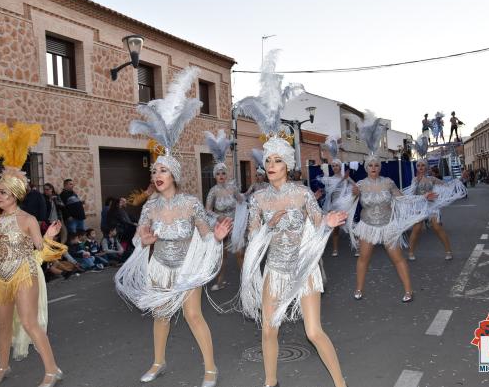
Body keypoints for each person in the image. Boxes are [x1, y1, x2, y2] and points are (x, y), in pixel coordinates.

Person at [236, 50, 348, 387]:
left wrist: (326, 224)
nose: (271, 167)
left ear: (288, 165)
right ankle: (271, 383)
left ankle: (341, 383)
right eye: (267, 162)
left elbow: (318, 224)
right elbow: (253, 238)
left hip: (304, 269)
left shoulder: (301, 194)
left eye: (278, 162)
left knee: (313, 331)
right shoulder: (258, 198)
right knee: (269, 328)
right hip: (276, 270)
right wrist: (269, 224)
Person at [116, 66, 232, 387]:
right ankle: (157, 362)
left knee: (193, 315)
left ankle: (210, 368)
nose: (157, 175)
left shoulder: (191, 203)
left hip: (186, 267)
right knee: (161, 316)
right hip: (160, 267)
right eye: (155, 170)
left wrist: (217, 238)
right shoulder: (150, 205)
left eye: (163, 170)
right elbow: (141, 238)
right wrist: (144, 238)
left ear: (174, 175)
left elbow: (206, 235)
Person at [0, 121, 67, 387]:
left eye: (1, 192)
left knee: (29, 323)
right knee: (2, 326)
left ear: (14, 195)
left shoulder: (28, 219)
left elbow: (41, 252)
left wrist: (47, 239)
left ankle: (52, 369)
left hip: (24, 274)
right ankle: (2, 367)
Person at [346, 111, 432, 303]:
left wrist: (424, 196)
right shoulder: (359, 186)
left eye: (376, 165)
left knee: (397, 258)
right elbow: (347, 205)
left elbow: (403, 199)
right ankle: (359, 288)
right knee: (363, 260)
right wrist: (351, 197)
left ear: (380, 167)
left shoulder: (388, 182)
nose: (374, 168)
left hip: (388, 226)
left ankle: (408, 290)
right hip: (367, 226)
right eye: (370, 166)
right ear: (366, 168)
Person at [204, 129, 245, 291]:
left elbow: (243, 202)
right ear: (215, 176)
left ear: (226, 175)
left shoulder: (232, 188)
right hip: (221, 226)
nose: (221, 175)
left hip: (235, 225)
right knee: (222, 256)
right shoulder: (213, 191)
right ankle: (220, 281)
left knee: (240, 253)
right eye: (218, 173)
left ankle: (246, 281)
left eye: (223, 173)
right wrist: (218, 217)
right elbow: (207, 209)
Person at [405, 159, 467, 261]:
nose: (421, 167)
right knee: (416, 229)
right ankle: (410, 252)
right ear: (417, 168)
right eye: (419, 166)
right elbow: (412, 195)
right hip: (420, 207)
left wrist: (460, 179)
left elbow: (447, 185)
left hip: (431, 206)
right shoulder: (415, 180)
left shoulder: (432, 179)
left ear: (426, 167)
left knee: (437, 228)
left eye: (423, 165)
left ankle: (448, 251)